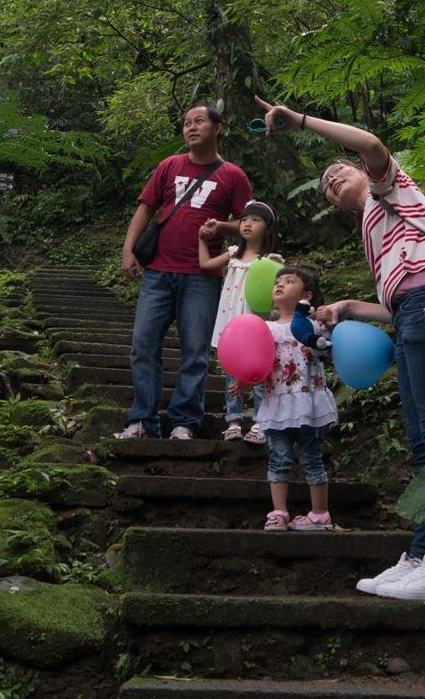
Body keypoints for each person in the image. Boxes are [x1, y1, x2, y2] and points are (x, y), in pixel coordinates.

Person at [255, 95, 425, 599]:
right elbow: (397, 305)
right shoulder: (372, 227)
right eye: (327, 188)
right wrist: (350, 306)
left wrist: (302, 122)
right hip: (417, 313)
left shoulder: (388, 191)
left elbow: (373, 144)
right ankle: (422, 552)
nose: (332, 182)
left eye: (338, 173)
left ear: (361, 172)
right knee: (424, 442)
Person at [116, 103, 252, 441]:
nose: (191, 127)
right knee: (143, 345)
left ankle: (184, 422)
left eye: (199, 121)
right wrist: (127, 249)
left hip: (202, 276)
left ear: (217, 128)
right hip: (158, 272)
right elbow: (146, 208)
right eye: (186, 123)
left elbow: (249, 225)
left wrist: (220, 225)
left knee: (195, 352)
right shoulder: (168, 166)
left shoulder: (232, 176)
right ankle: (143, 421)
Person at [233, 265, 340, 530]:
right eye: (277, 281)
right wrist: (245, 383)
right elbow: (258, 363)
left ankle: (320, 514)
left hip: (308, 403)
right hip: (277, 402)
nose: (280, 284)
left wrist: (326, 326)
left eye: (289, 281)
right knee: (279, 458)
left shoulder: (314, 325)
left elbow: (324, 351)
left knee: (312, 458)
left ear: (308, 295)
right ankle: (278, 512)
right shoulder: (265, 328)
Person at [198, 199, 282, 444]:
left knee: (260, 371)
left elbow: (277, 293)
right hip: (231, 321)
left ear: (267, 228)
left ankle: (261, 421)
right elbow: (205, 264)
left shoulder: (271, 259)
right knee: (231, 372)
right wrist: (202, 240)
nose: (247, 224)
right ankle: (233, 421)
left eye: (256, 220)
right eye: (245, 219)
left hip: (257, 324)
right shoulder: (234, 253)